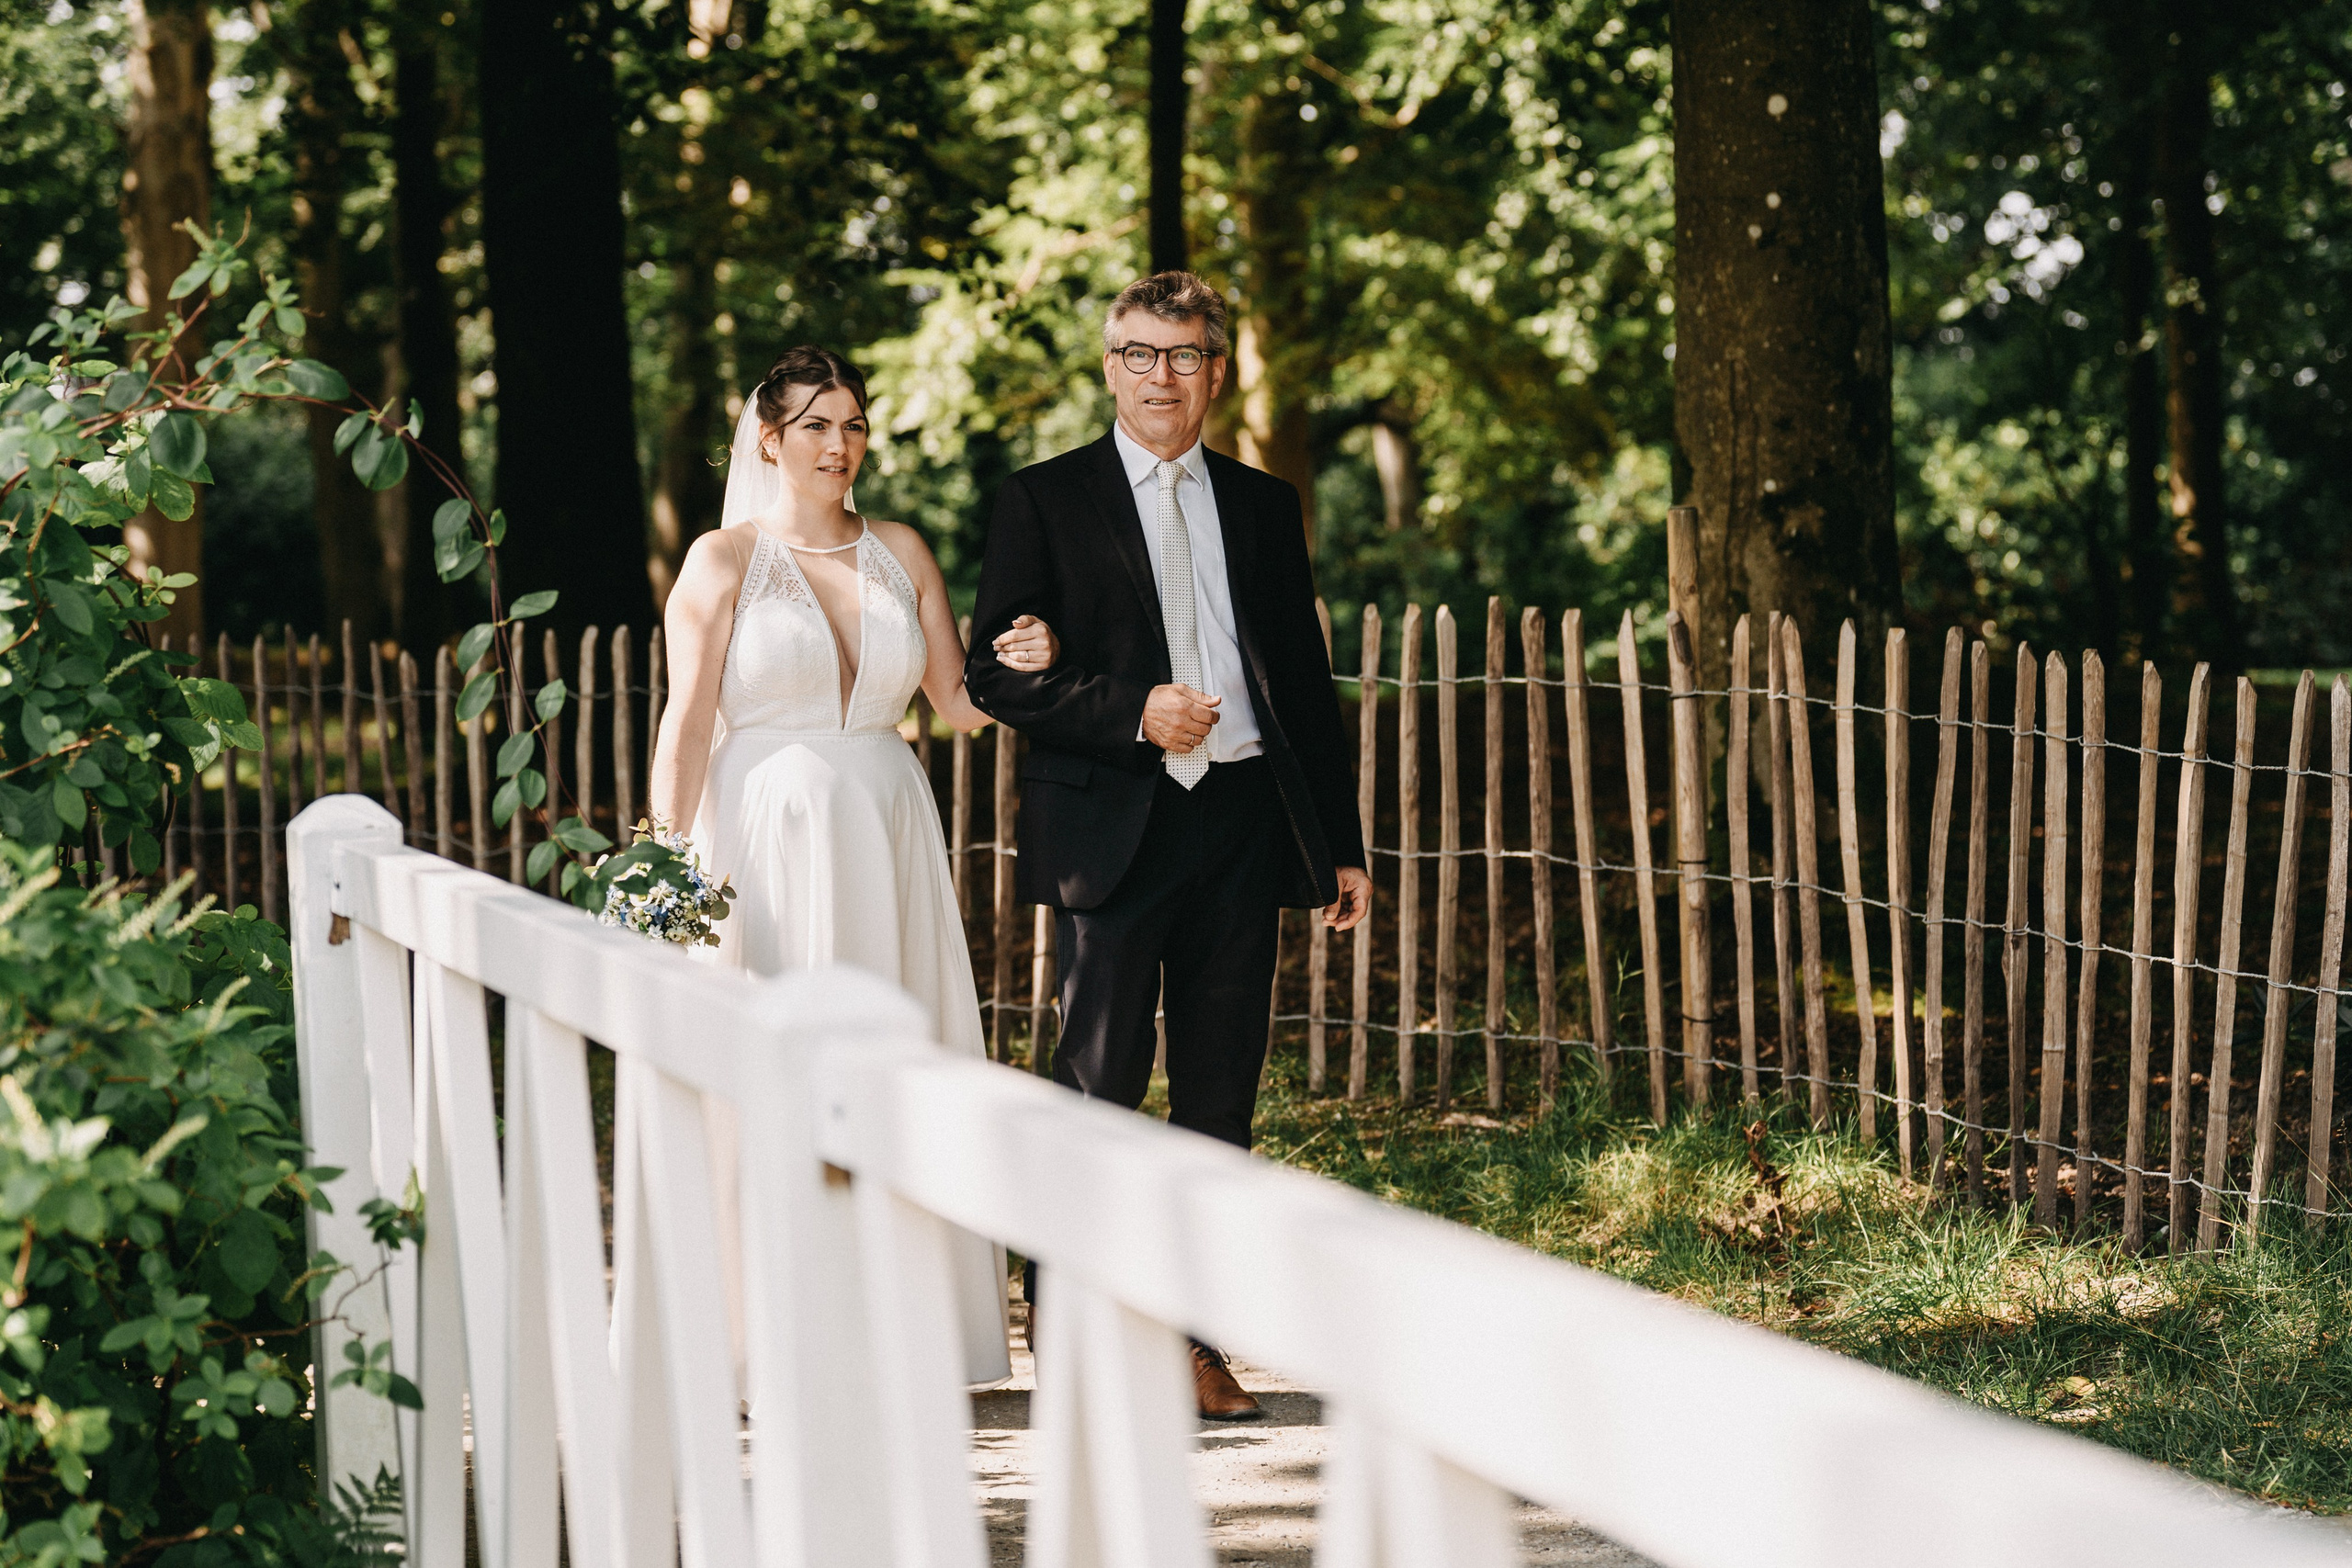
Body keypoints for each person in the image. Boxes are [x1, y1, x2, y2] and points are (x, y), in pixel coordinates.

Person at [964, 272, 1373, 1419]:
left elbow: (1298, 680)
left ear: (1215, 371)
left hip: (1239, 824)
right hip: (1112, 831)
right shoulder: (1041, 500)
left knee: (1219, 1097)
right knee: (1094, 1085)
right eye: (1140, 354)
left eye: (1184, 356)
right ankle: (1070, 1326)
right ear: (1109, 367)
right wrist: (1130, 709)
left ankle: (1195, 1341)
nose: (1160, 376)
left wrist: (1335, 842)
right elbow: (991, 673)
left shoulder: (1262, 501)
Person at [648, 345, 1057, 1386]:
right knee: (768, 1074)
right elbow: (687, 722)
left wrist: (1032, 666)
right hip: (761, 834)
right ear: (770, 439)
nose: (840, 445)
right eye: (817, 425)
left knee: (895, 1063)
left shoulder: (903, 550)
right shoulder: (721, 559)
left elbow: (958, 707)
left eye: (855, 424)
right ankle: (764, 1335)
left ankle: (898, 1335)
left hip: (885, 825)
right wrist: (663, 868)